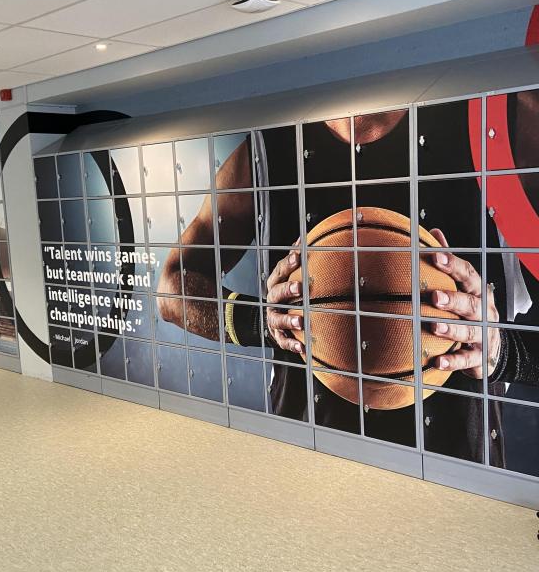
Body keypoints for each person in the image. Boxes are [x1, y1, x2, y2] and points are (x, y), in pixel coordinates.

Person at [158, 94, 539, 467]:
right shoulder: (268, 149)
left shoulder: (501, 128)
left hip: (456, 473)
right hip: (307, 464)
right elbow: (172, 288)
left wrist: (503, 352)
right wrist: (264, 322)